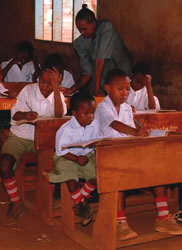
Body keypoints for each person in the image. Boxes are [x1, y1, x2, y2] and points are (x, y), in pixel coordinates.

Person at [95, 68, 182, 240]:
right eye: (120, 89)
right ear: (107, 88)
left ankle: (163, 218)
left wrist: (140, 132)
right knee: (119, 175)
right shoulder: (102, 107)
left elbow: (131, 129)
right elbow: (114, 124)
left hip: (127, 150)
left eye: (127, 89)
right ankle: (120, 222)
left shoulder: (127, 108)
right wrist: (135, 133)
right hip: (107, 153)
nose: (125, 93)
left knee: (157, 168)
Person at [0, 61, 67, 226]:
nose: (44, 86)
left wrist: (56, 89)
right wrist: (26, 115)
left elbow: (59, 114)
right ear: (37, 79)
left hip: (45, 140)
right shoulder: (28, 91)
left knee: (56, 165)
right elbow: (15, 116)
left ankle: (50, 201)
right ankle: (16, 202)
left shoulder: (57, 96)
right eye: (42, 81)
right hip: (21, 136)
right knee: (5, 165)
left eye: (50, 83)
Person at [44, 92, 100, 226]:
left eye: (93, 112)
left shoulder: (94, 124)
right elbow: (61, 151)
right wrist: (76, 158)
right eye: (86, 114)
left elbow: (97, 141)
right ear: (74, 113)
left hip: (85, 156)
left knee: (98, 176)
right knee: (71, 176)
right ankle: (81, 205)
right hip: (66, 157)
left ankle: (80, 196)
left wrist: (95, 145)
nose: (91, 117)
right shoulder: (66, 129)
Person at [62, 4, 132, 97]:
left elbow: (100, 60)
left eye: (84, 29)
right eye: (79, 30)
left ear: (94, 23)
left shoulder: (106, 29)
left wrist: (96, 90)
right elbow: (87, 73)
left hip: (119, 78)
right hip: (100, 82)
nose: (82, 33)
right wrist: (72, 89)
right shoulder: (80, 44)